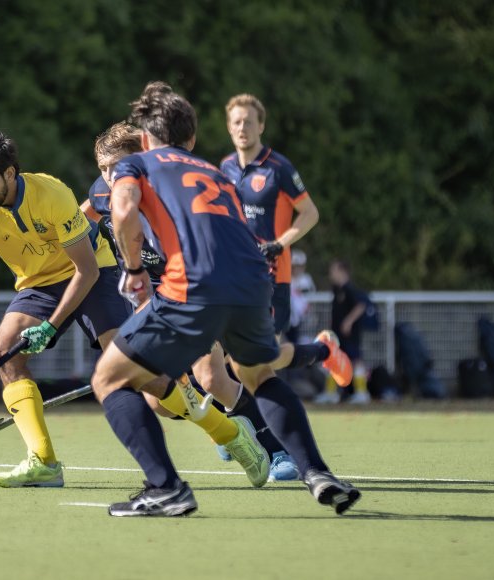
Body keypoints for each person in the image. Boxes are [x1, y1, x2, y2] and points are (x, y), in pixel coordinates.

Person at [92, 81, 359, 517]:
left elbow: (122, 212)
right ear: (192, 138)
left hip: (194, 286)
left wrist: (135, 270)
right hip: (255, 283)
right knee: (258, 374)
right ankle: (317, 472)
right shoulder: (216, 172)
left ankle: (165, 487)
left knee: (110, 378)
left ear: (143, 139)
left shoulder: (137, 164)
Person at [0, 131, 267, 489]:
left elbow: (85, 271)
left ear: (10, 174)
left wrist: (51, 327)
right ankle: (43, 462)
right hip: (38, 286)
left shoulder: (52, 194)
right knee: (8, 359)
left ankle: (229, 433)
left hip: (93, 275)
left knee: (140, 375)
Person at [82, 121, 299, 483]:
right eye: (102, 168)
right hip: (151, 294)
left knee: (211, 376)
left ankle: (276, 450)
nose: (109, 176)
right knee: (158, 402)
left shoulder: (172, 194)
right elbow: (86, 211)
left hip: (195, 288)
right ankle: (232, 422)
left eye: (116, 167)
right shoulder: (106, 193)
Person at [220, 94, 323, 371]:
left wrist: (280, 243)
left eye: (249, 122)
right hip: (235, 274)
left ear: (261, 126)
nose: (243, 128)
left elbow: (310, 213)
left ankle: (322, 350)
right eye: (237, 122)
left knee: (261, 361)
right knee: (225, 358)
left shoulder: (279, 169)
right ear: (229, 127)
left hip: (273, 275)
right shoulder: (225, 167)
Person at [315, 259, 371, 404]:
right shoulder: (336, 289)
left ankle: (362, 393)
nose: (331, 274)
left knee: (356, 361)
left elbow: (361, 305)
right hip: (337, 334)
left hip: (350, 334)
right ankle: (331, 393)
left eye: (333, 270)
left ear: (342, 271)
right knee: (332, 360)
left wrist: (348, 321)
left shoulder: (349, 289)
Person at [286, 249, 316, 346]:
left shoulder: (306, 279)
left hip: (306, 319)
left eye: (299, 266)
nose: (296, 269)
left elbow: (310, 296)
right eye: (294, 266)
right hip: (290, 319)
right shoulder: (287, 279)